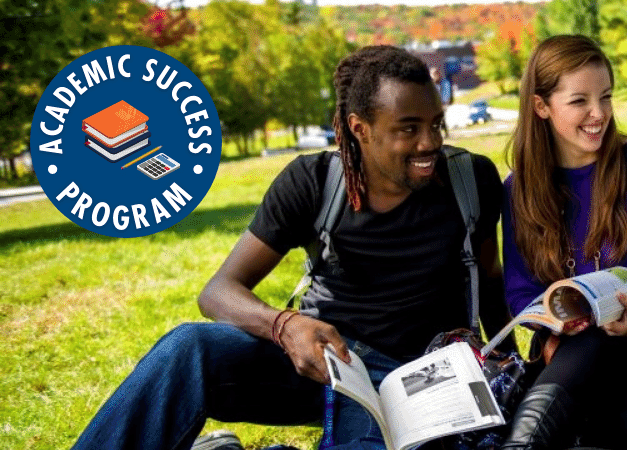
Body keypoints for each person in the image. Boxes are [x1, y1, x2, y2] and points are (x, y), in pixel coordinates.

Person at [70, 45, 513, 450]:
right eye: (408, 128)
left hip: (417, 379)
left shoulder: (470, 179)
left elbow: (489, 283)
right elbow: (219, 290)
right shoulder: (314, 181)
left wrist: (514, 367)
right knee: (189, 348)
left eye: (436, 123)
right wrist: (285, 325)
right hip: (322, 365)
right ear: (359, 128)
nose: (430, 142)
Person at [500, 34, 627, 450]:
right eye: (580, 101)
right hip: (563, 353)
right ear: (541, 106)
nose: (599, 114)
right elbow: (520, 292)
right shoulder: (520, 189)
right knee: (593, 353)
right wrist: (552, 313)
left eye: (606, 97)